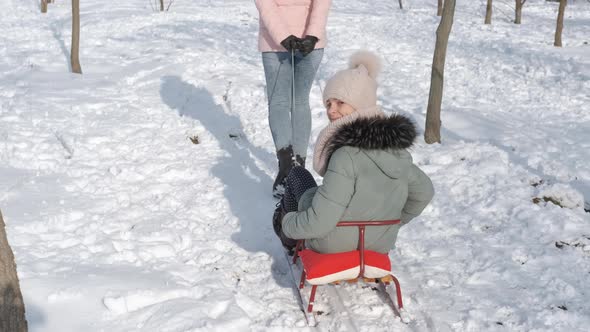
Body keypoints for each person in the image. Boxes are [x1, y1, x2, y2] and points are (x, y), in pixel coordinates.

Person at [272, 51, 434, 254]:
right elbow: (424, 192)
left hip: (334, 243)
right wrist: (390, 225)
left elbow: (320, 222)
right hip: (379, 244)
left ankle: (289, 242)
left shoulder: (346, 155)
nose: (331, 110)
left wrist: (288, 222)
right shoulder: (396, 151)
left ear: (361, 105)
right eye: (328, 103)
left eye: (340, 103)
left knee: (297, 175)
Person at [254, 0, 332, 197]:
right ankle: (290, 166)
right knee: (291, 102)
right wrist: (300, 36)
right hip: (279, 43)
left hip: (296, 43)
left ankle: (293, 168)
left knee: (286, 102)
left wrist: (312, 35)